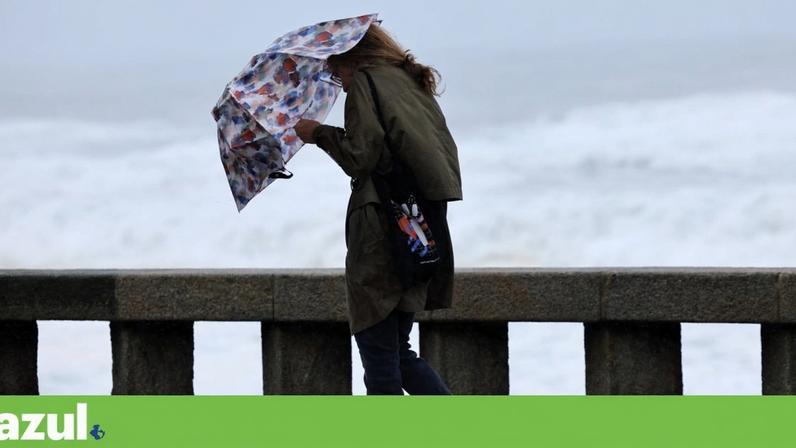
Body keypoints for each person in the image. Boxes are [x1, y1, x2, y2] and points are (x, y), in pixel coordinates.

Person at [293, 22, 462, 395]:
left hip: (382, 229)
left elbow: (360, 157)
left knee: (380, 360)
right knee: (399, 354)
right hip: (417, 228)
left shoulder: (367, 83)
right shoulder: (408, 81)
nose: (337, 79)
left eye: (336, 68)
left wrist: (318, 133)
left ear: (353, 58)